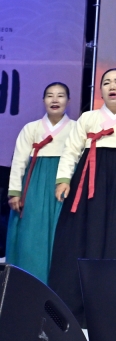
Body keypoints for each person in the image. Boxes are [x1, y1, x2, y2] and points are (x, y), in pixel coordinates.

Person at [49, 69, 116, 324]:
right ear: (100, 90)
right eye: (106, 82)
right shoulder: (88, 118)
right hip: (90, 180)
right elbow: (71, 150)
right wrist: (63, 179)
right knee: (86, 235)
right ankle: (78, 305)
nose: (112, 86)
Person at [6, 83, 73, 283]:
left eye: (60, 95)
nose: (55, 100)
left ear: (68, 101)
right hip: (34, 184)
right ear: (43, 100)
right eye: (50, 95)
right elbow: (19, 161)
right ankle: (29, 284)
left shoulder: (76, 128)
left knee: (61, 234)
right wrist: (15, 192)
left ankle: (58, 287)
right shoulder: (31, 128)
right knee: (31, 235)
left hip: (64, 184)